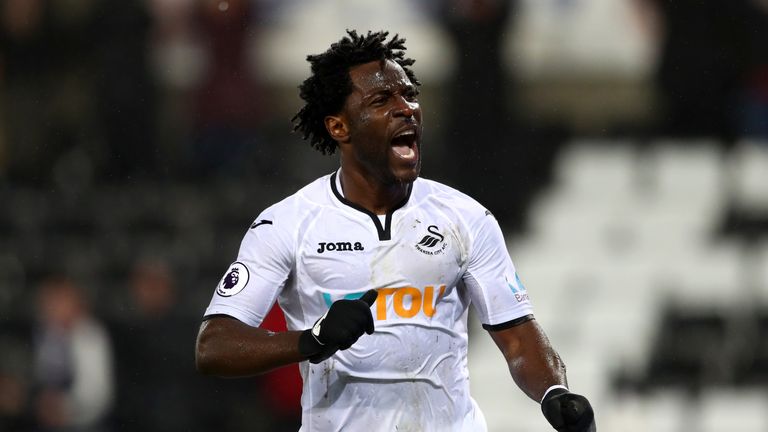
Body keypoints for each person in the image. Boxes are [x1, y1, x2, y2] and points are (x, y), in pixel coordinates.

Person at [195, 30, 595, 432]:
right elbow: (214, 346)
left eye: (409, 95)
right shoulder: (287, 224)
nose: (407, 109)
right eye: (382, 100)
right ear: (339, 127)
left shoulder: (466, 217)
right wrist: (311, 340)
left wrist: (554, 393)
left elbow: (518, 337)